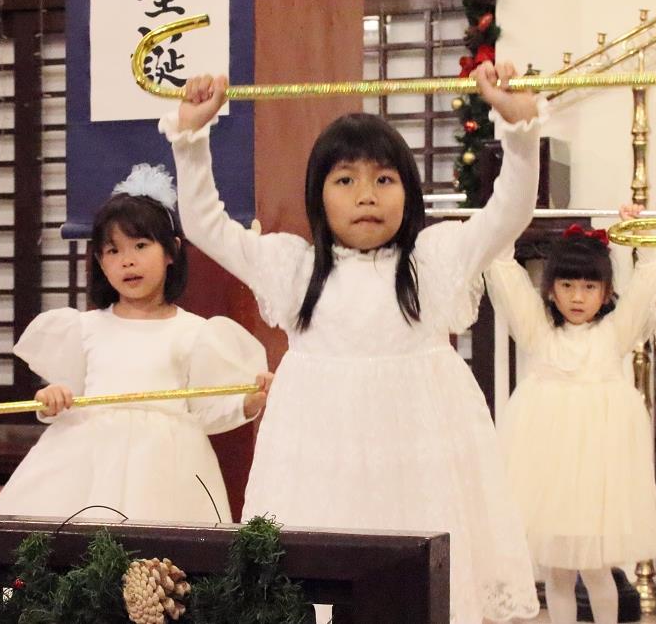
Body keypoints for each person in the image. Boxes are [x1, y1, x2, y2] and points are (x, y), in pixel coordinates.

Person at [159, 62, 543, 622]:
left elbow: (510, 211)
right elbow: (204, 224)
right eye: (345, 181)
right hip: (318, 464)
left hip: (420, 465)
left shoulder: (435, 260)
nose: (366, 196)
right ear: (318, 197)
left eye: (384, 180)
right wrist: (192, 138)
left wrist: (520, 130)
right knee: (316, 591)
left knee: (420, 594)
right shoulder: (293, 268)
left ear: (408, 192)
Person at [0, 163, 271, 522]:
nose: (128, 261)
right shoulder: (84, 328)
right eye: (113, 251)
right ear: (100, 261)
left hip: (168, 468)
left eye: (140, 245)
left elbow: (204, 411)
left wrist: (246, 402)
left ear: (172, 251)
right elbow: (69, 401)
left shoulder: (194, 332)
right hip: (89, 465)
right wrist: (53, 399)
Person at [485, 207, 656, 624]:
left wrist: (640, 235)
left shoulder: (614, 334)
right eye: (566, 285)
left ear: (606, 292)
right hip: (548, 472)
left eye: (589, 286)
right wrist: (507, 221)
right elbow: (506, 275)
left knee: (596, 569)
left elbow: (646, 286)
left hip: (596, 474)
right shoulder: (539, 333)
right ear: (550, 290)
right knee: (558, 572)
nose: (578, 297)